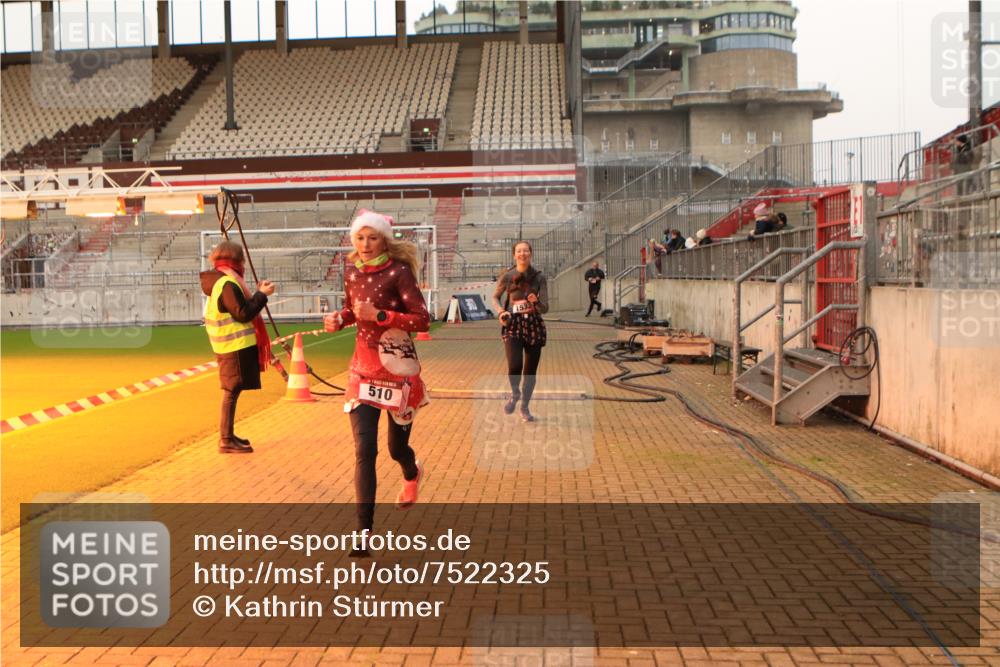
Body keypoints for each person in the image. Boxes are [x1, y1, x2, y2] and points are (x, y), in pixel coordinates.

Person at [323, 210, 430, 556]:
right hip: (362, 371)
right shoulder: (351, 273)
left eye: (372, 238)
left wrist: (382, 316)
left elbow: (422, 319)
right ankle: (363, 534)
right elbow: (352, 310)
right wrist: (339, 318)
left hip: (397, 370)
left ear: (384, 239)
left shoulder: (399, 273)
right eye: (359, 238)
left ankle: (411, 473)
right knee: (364, 451)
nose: (365, 245)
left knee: (396, 449)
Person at [200, 241, 275, 454]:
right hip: (234, 346)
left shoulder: (221, 282)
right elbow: (243, 313)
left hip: (229, 346)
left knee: (232, 391)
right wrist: (262, 295)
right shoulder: (227, 284)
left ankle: (228, 436)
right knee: (231, 392)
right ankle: (225, 439)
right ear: (237, 261)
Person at [492, 240, 549, 422]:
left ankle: (524, 406)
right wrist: (501, 311)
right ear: (514, 255)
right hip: (513, 324)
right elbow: (495, 297)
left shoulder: (539, 277)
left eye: (525, 251)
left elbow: (545, 308)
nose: (522, 254)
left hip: (533, 325)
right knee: (514, 365)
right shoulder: (508, 276)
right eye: (519, 251)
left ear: (530, 254)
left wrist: (536, 302)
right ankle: (515, 393)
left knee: (530, 371)